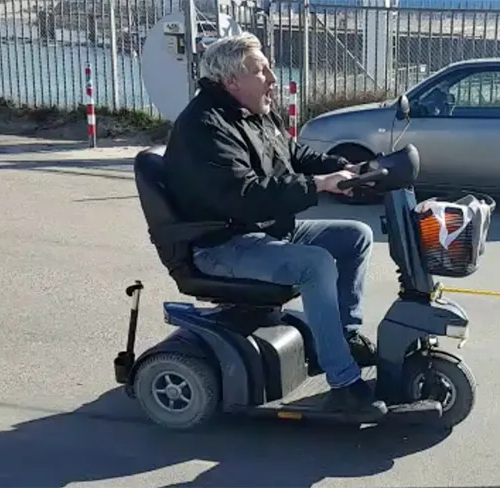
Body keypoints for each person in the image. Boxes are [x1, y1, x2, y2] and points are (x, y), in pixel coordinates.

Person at [162, 32, 385, 415]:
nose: (273, 78)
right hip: (221, 242)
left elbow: (293, 154)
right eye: (261, 71)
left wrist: (345, 168)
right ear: (232, 81)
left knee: (356, 236)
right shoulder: (204, 127)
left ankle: (343, 336)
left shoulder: (256, 112)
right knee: (315, 264)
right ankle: (343, 382)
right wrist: (318, 185)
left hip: (263, 229)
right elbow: (244, 194)